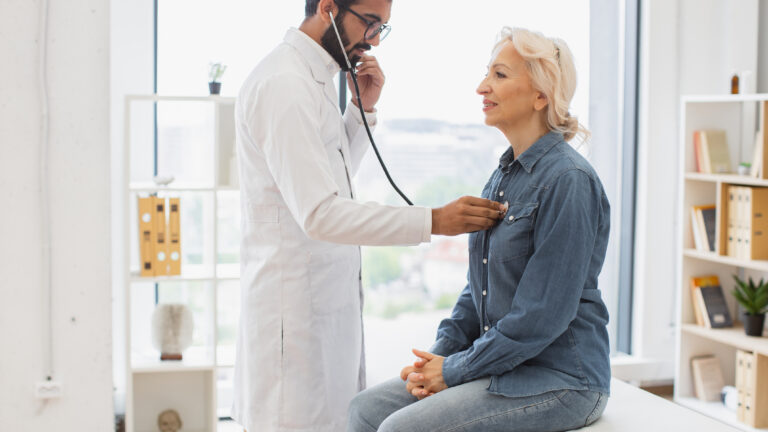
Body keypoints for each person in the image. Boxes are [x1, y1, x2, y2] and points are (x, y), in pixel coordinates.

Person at [231, 1, 503, 431]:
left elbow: (329, 182)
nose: (374, 40)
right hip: (294, 316)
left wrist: (361, 112)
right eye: (370, 23)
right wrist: (432, 220)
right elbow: (320, 213)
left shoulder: (313, 78)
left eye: (383, 29)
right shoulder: (285, 84)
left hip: (324, 304)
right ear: (327, 8)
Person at [347, 26, 612, 432]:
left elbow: (541, 315)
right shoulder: (503, 176)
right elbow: (477, 287)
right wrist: (434, 360)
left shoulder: (569, 180)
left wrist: (454, 370)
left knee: (401, 429)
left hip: (562, 379)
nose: (481, 87)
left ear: (542, 95)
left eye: (500, 75)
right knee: (364, 410)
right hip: (502, 366)